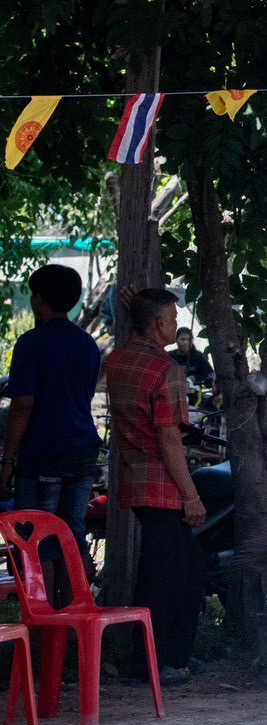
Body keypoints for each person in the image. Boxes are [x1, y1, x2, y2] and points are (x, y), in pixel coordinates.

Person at [105, 288, 208, 686]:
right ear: (157, 324)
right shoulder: (167, 370)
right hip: (165, 483)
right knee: (164, 575)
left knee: (180, 565)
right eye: (171, 318)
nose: (176, 325)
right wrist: (191, 496)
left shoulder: (119, 359)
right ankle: (149, 663)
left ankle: (170, 656)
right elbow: (168, 438)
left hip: (135, 476)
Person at [1, 264, 103, 605]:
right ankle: (73, 616)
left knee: (38, 537)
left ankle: (43, 623)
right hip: (83, 450)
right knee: (72, 534)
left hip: (45, 451)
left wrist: (8, 460)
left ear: (39, 300)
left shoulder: (32, 343)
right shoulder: (87, 344)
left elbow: (23, 405)